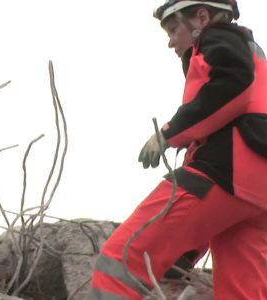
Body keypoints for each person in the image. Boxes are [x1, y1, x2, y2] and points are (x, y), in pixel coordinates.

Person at [89, 0, 267, 299]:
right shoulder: (253, 52)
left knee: (121, 261)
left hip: (227, 170)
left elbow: (232, 86)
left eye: (173, 30)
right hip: (257, 189)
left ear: (201, 16)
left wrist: (168, 134)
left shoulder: (218, 38)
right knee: (243, 291)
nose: (171, 41)